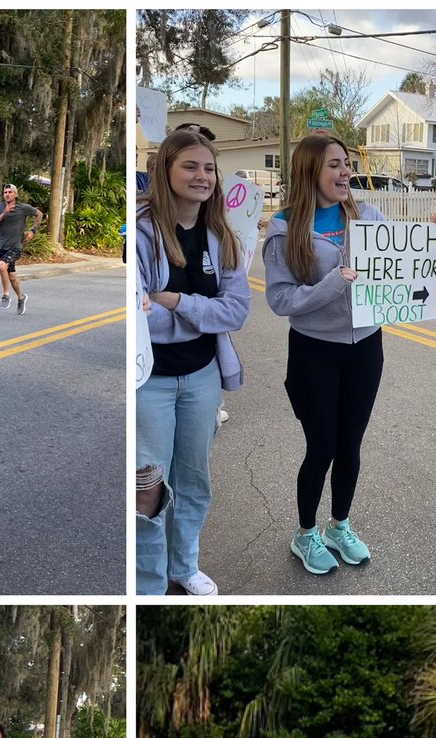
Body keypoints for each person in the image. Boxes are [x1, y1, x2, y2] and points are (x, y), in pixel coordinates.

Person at [263, 134, 399, 575]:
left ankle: (339, 525)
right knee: (321, 446)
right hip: (313, 351)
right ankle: (305, 534)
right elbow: (281, 299)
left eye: (346, 164)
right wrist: (334, 282)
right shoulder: (285, 228)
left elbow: (400, 265)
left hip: (366, 348)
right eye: (334, 166)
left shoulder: (368, 215)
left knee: (350, 445)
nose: (345, 173)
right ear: (309, 172)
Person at [136, 127, 251, 597]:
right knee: (148, 486)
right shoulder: (143, 233)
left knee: (194, 480)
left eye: (208, 168)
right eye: (190, 166)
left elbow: (237, 310)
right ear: (166, 171)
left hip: (203, 377)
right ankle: (147, 581)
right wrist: (200, 313)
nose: (201, 176)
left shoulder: (221, 236)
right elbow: (140, 319)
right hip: (151, 382)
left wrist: (176, 303)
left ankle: (184, 566)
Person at [0, 184, 42, 315]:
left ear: (15, 195)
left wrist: (33, 231)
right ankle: (21, 297)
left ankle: (6, 295)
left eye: (10, 192)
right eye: (5, 192)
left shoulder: (23, 208)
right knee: (12, 277)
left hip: (16, 247)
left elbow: (39, 214)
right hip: (2, 247)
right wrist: (3, 215)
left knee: (1, 267)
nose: (7, 194)